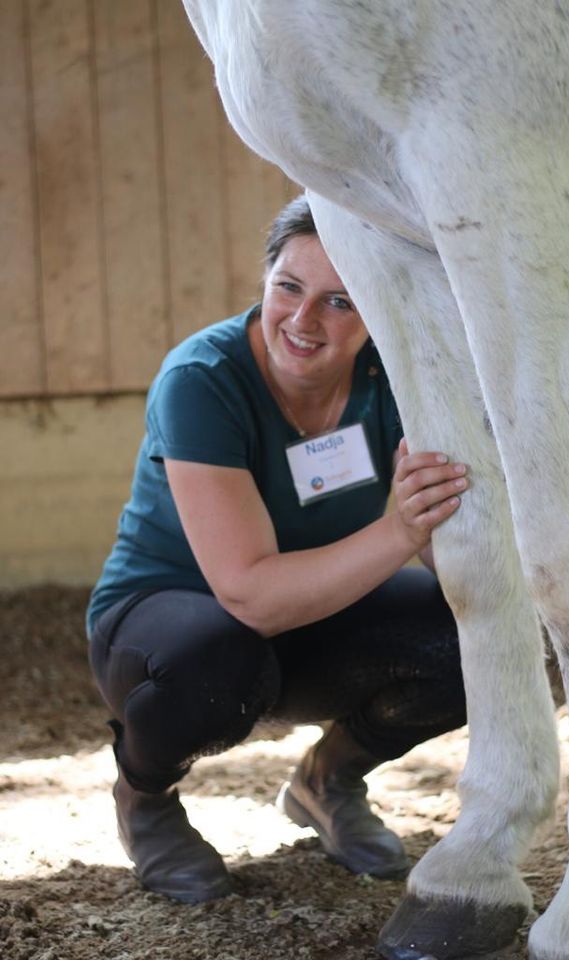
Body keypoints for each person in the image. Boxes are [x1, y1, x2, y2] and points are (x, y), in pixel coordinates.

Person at [86, 195, 468, 905]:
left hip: (321, 607)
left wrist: (454, 555)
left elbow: (449, 529)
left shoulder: (395, 375)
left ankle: (328, 781)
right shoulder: (202, 378)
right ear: (263, 279)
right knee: (217, 657)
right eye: (287, 287)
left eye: (340, 302)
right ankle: (146, 799)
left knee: (465, 640)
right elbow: (248, 596)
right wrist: (400, 531)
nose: (302, 320)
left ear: (377, 310)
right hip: (169, 622)